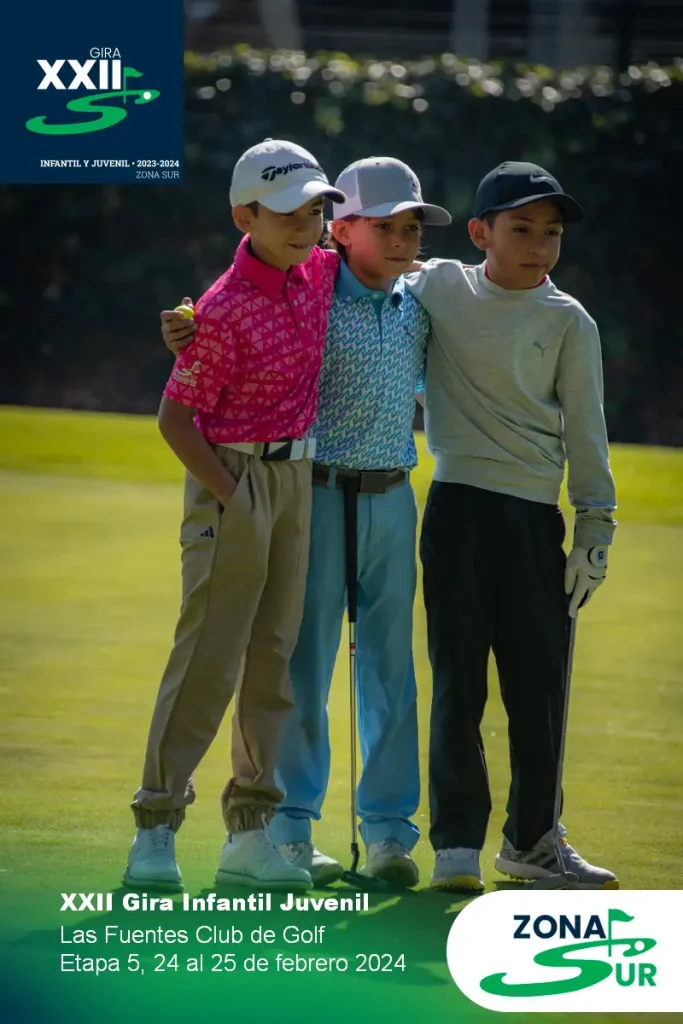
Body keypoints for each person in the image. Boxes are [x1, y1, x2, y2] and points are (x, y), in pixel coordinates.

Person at [161, 157, 450, 889]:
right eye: (384, 227)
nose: (401, 241)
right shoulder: (313, 286)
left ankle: (389, 835)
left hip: (393, 494)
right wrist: (188, 327)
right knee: (300, 665)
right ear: (342, 231)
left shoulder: (422, 296)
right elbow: (234, 312)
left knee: (390, 672)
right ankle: (288, 830)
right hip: (312, 493)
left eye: (411, 229)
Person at [123, 138, 346, 892]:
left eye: (314, 211)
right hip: (234, 479)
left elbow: (382, 256)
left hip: (295, 480)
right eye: (287, 213)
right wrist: (233, 495)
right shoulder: (217, 310)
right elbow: (174, 420)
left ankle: (248, 833)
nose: (305, 225)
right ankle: (155, 829)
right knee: (208, 660)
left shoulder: (319, 272)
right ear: (244, 216)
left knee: (272, 660)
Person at [405, 161, 619, 891]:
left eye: (550, 233)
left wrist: (594, 530)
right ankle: (455, 846)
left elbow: (586, 432)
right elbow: (352, 270)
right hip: (456, 511)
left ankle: (532, 842)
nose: (538, 245)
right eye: (521, 229)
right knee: (456, 684)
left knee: (537, 691)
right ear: (479, 233)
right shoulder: (439, 285)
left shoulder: (569, 320)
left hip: (532, 522)